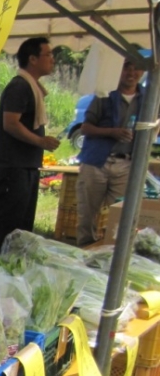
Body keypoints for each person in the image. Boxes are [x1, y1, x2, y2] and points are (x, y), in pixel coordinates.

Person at [0, 37, 61, 255]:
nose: (53, 59)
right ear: (32, 59)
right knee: (3, 224)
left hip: (26, 166)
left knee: (20, 226)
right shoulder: (19, 86)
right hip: (14, 167)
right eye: (48, 55)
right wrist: (40, 142)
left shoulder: (32, 87)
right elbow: (11, 123)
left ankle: (8, 265)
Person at [74, 59, 145, 246]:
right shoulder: (104, 95)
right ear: (118, 70)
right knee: (87, 214)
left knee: (119, 216)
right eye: (126, 68)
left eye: (136, 68)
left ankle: (111, 256)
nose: (131, 73)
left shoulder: (147, 99)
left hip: (126, 164)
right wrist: (111, 132)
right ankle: (84, 250)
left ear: (143, 71)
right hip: (97, 161)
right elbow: (86, 128)